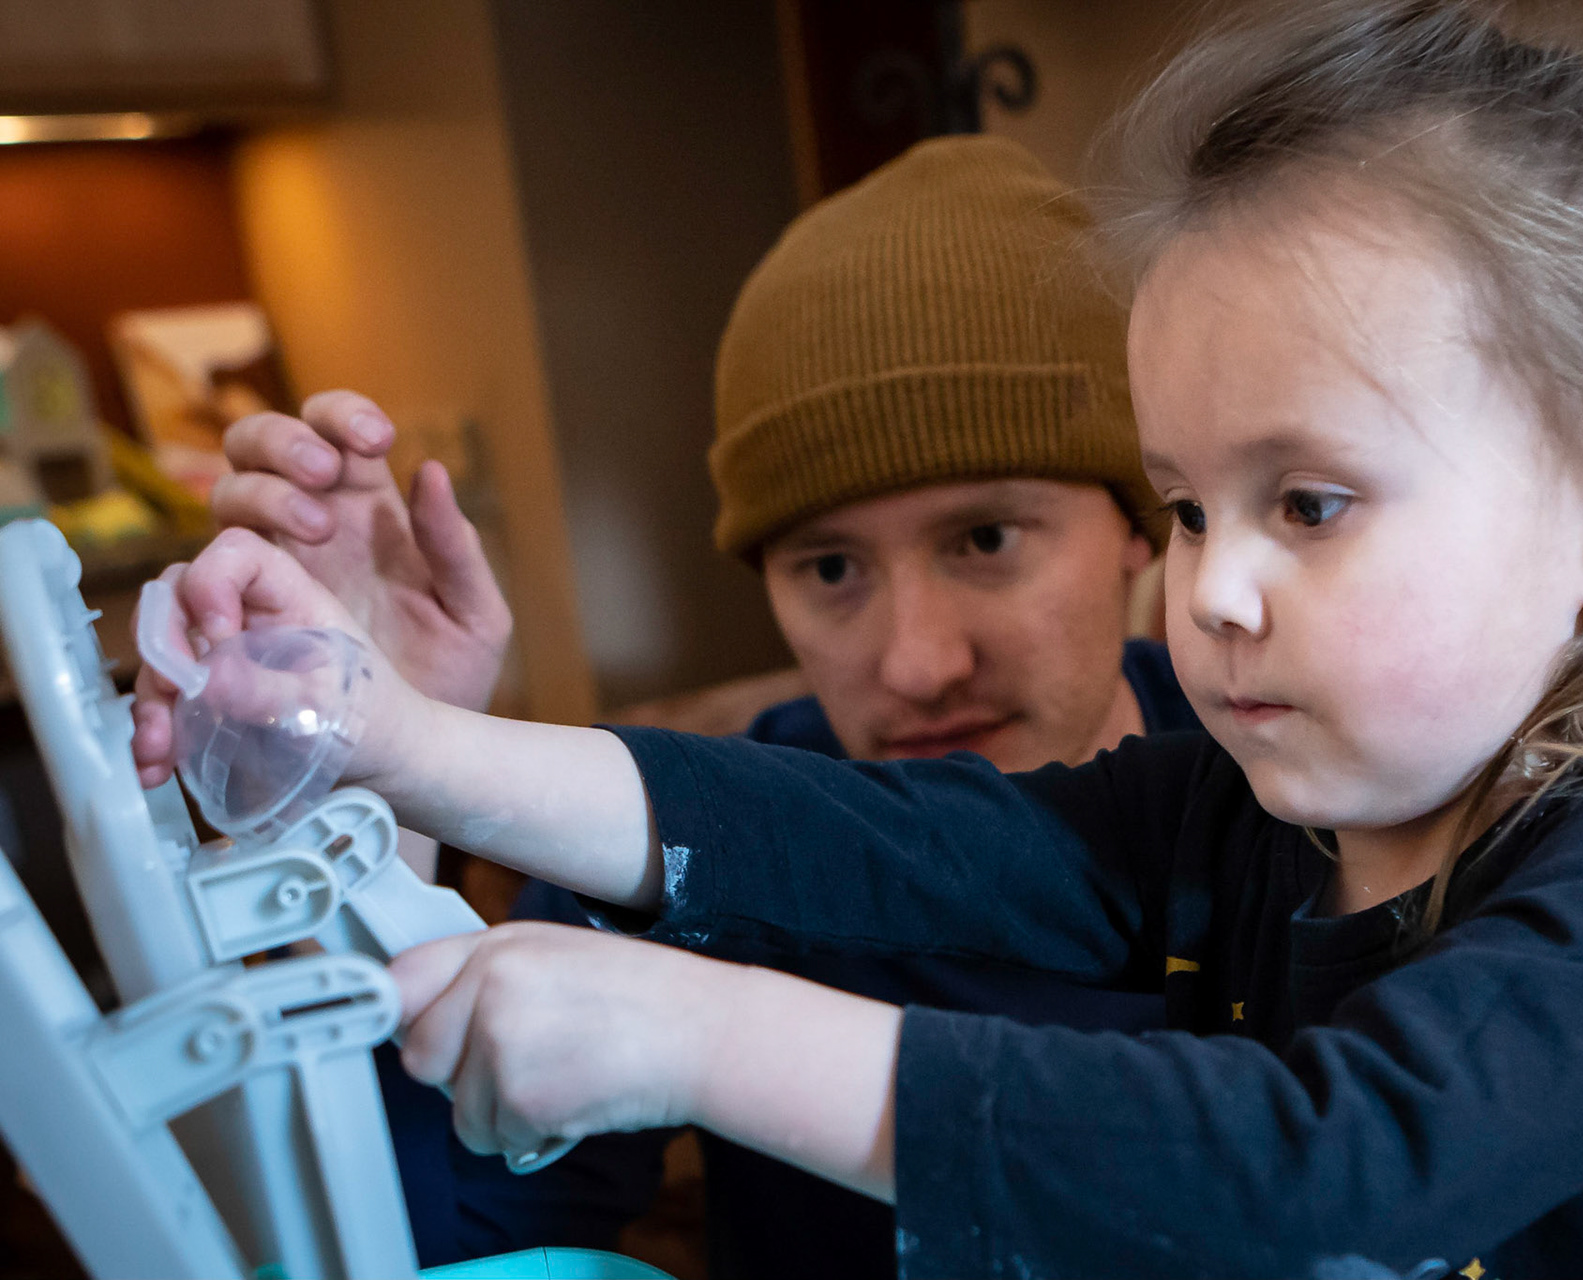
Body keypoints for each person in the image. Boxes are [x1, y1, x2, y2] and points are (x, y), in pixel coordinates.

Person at [136, 3, 1583, 1274]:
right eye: (1193, 510)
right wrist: (386, 739)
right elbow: (859, 839)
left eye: (1311, 504)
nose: (1215, 592)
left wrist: (693, 1028)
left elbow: (1336, 1159)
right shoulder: (1232, 814)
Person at [207, 136, 1196, 1272]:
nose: (918, 663)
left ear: (1143, 522)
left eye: (985, 540)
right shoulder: (683, 844)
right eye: (831, 569)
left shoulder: (1295, 806)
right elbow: (437, 1245)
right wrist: (391, 784)